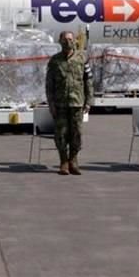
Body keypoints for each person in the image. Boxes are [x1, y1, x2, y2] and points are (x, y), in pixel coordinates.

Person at [45, 31, 93, 175]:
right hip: (60, 104)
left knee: (76, 133)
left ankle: (74, 160)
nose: (68, 42)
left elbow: (88, 80)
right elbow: (49, 84)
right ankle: (63, 161)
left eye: (70, 39)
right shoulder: (54, 61)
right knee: (61, 134)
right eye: (65, 39)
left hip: (77, 103)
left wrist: (89, 101)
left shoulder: (82, 58)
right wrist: (51, 103)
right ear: (59, 41)